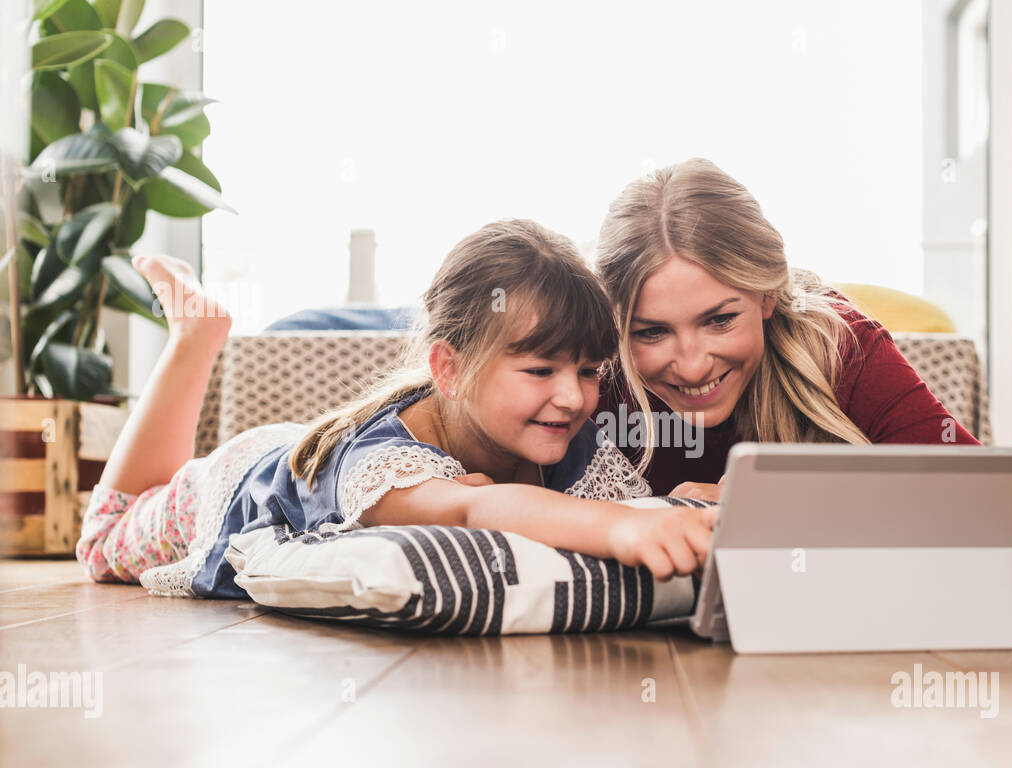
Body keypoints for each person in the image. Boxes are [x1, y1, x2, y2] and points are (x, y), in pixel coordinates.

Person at [76, 220, 716, 597]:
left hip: (309, 444)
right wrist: (621, 528)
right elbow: (476, 506)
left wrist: (686, 508)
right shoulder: (387, 471)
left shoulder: (563, 431)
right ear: (450, 368)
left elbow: (627, 507)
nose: (573, 396)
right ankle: (197, 336)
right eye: (541, 370)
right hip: (234, 485)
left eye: (586, 371)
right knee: (103, 537)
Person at [593, 158, 1012, 602]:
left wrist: (771, 509)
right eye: (651, 332)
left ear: (767, 296)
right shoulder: (589, 376)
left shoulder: (840, 347)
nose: (692, 367)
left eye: (719, 320)